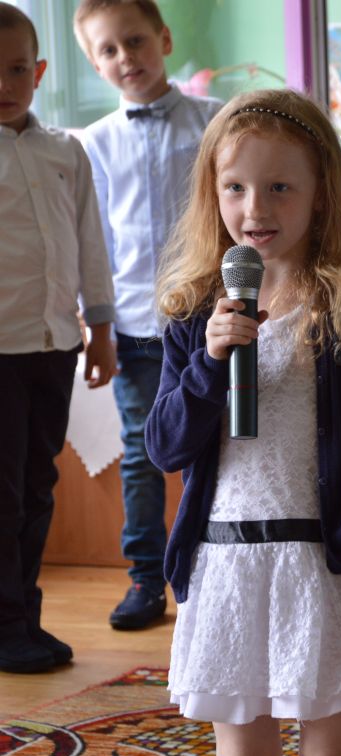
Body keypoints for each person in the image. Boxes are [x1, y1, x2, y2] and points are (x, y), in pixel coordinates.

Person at [145, 89, 341, 756]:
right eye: (235, 188)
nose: (255, 208)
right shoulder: (195, 314)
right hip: (228, 564)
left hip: (324, 571)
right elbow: (166, 447)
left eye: (279, 188)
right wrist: (209, 364)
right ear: (212, 195)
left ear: (320, 195)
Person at [74, 0, 223, 631]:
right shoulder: (94, 143)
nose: (125, 57)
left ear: (163, 39)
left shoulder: (214, 122)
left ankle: (211, 566)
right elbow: (94, 242)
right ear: (94, 63)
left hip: (210, 320)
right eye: (108, 50)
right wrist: (97, 328)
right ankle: (144, 577)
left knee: (211, 447)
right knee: (141, 453)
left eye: (135, 41)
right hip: (136, 327)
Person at [0, 4, 117, 674]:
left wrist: (100, 331)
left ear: (40, 72)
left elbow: (90, 246)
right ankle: (5, 626)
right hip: (0, 350)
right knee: (3, 495)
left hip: (53, 345)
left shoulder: (66, 152)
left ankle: (25, 615)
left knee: (39, 484)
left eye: (17, 69)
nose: (4, 84)